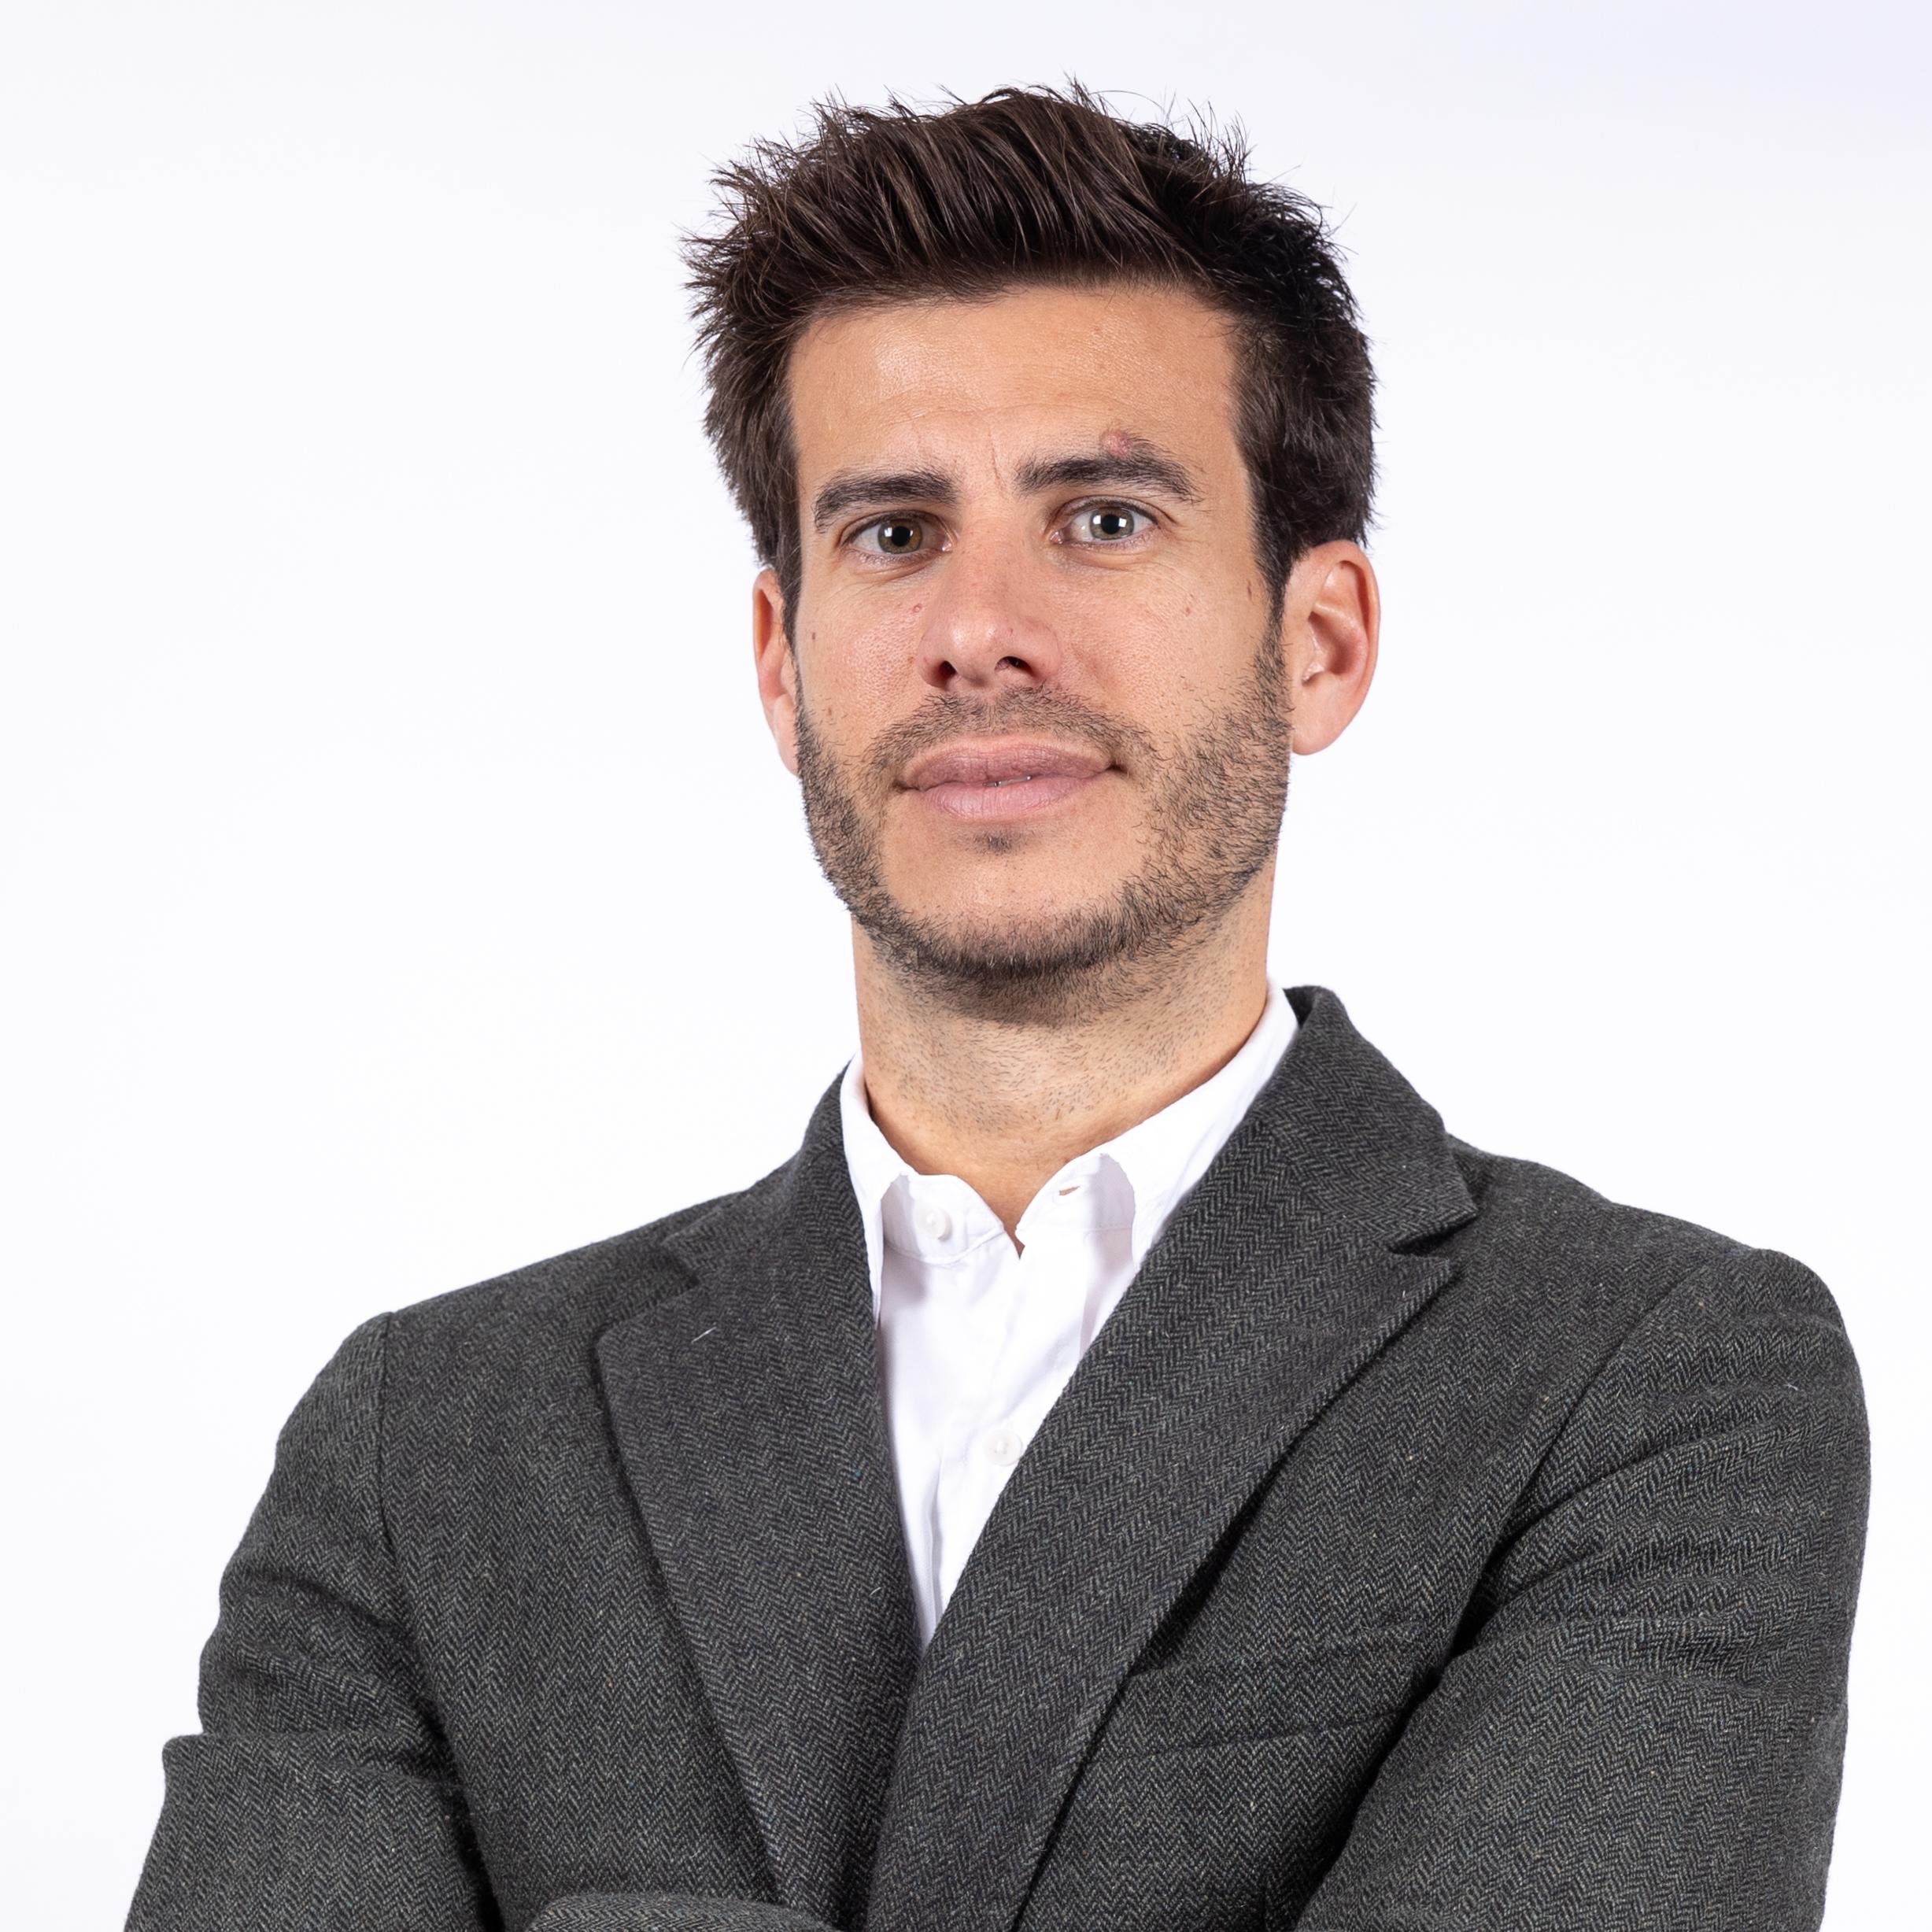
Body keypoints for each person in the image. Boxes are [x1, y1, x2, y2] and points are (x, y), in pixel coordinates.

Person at [126, 83, 1870, 1932]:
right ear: (781, 665)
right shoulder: (431, 1441)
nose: (978, 629)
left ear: (1318, 641)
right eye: (892, 534)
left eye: (1101, 519)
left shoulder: (1649, 1378)